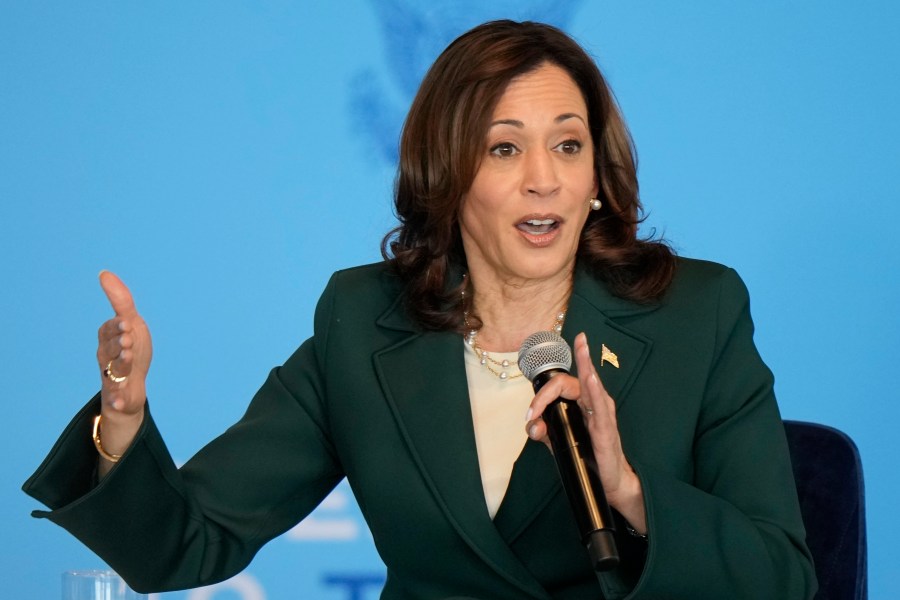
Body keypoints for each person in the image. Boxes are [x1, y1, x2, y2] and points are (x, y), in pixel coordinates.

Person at [23, 20, 816, 599]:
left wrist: (629, 492)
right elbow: (185, 544)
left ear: (597, 179)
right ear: (448, 175)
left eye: (568, 145)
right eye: (504, 148)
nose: (544, 178)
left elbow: (782, 579)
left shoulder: (696, 315)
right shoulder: (363, 324)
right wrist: (121, 421)